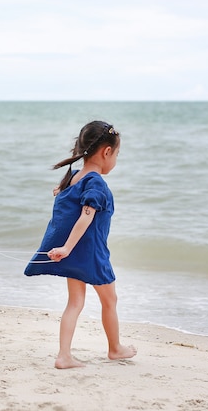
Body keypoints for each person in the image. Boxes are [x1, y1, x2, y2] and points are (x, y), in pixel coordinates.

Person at [24, 120, 137, 369]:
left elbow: (69, 203)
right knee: (110, 301)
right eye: (117, 154)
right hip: (92, 254)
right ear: (106, 152)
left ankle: (64, 355)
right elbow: (87, 215)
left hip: (74, 253)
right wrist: (65, 249)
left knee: (75, 303)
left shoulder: (74, 178)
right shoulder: (95, 182)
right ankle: (115, 348)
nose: (116, 159)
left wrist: (67, 249)